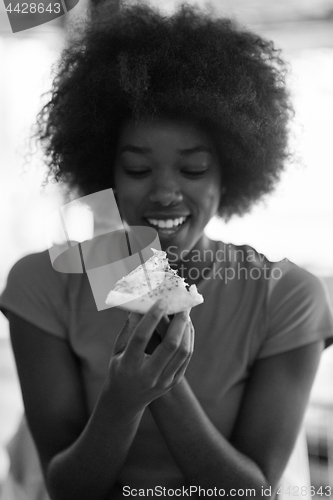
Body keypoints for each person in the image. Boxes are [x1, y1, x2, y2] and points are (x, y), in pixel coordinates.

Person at [1, 3, 333, 500]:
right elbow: (65, 488)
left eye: (194, 170)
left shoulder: (288, 296)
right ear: (104, 171)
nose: (164, 194)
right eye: (137, 170)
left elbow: (256, 493)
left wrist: (162, 383)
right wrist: (123, 401)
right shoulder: (41, 282)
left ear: (231, 173)